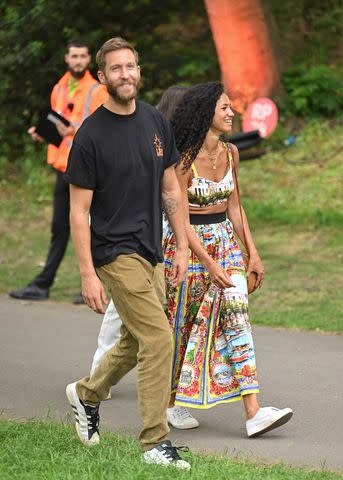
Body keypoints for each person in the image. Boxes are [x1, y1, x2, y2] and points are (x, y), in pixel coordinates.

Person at [64, 38, 190, 469]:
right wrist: (87, 274)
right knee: (158, 339)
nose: (125, 74)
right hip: (113, 250)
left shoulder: (155, 121)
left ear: (139, 70)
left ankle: (86, 394)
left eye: (131, 66)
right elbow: (78, 212)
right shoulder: (90, 135)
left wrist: (182, 248)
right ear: (102, 77)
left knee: (136, 339)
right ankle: (155, 442)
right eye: (115, 68)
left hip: (151, 248)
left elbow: (171, 188)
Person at [164, 81, 293, 436]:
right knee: (183, 324)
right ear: (206, 113)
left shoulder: (230, 153)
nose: (231, 113)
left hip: (225, 243)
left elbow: (235, 207)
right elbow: (181, 219)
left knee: (237, 320)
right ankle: (170, 402)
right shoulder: (183, 160)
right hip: (187, 247)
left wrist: (253, 253)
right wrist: (206, 262)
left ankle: (253, 412)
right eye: (224, 108)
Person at [89, 85, 190, 387]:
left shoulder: (172, 141)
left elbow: (171, 190)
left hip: (152, 235)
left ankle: (96, 382)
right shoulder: (144, 131)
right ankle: (98, 378)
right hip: (121, 235)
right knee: (133, 319)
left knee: (133, 316)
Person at [9, 41, 108, 303]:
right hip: (63, 167)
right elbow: (58, 124)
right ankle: (43, 284)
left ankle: (91, 283)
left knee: (91, 227)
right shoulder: (59, 88)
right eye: (74, 56)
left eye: (82, 56)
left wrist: (74, 128)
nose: (78, 60)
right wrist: (43, 133)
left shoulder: (98, 90)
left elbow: (104, 126)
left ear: (88, 59)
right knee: (59, 228)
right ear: (67, 58)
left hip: (88, 169)